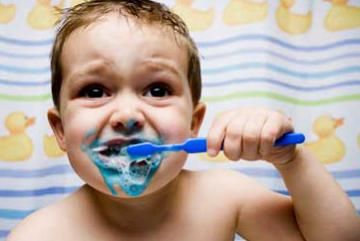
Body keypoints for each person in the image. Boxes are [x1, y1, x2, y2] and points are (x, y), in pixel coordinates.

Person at [7, 0, 360, 240]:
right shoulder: (41, 233)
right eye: (96, 91)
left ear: (194, 122)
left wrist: (291, 161)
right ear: (61, 130)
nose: (128, 116)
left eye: (157, 90)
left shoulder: (224, 197)